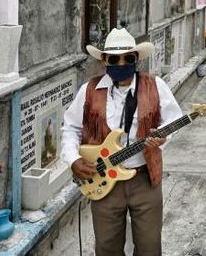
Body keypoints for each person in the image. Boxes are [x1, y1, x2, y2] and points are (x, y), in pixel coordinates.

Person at [61, 28, 183, 256]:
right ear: (104, 61)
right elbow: (71, 127)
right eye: (114, 59)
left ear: (136, 59)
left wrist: (162, 138)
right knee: (107, 248)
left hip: (145, 178)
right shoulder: (88, 90)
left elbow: (174, 120)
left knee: (150, 247)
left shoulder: (156, 86)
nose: (121, 63)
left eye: (128, 58)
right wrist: (73, 160)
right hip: (104, 181)